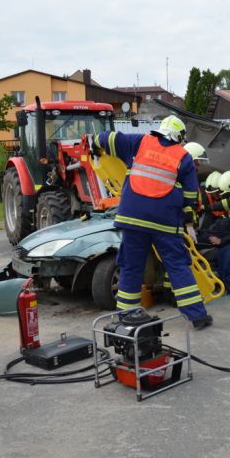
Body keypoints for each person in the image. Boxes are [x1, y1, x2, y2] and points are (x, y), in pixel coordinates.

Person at [91, 116, 213, 329]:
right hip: (165, 223)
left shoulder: (138, 142)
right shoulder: (183, 157)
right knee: (177, 266)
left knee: (131, 266)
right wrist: (188, 221)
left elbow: (106, 138)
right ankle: (197, 317)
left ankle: (126, 318)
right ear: (180, 137)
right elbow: (192, 195)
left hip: (133, 219)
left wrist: (95, 145)